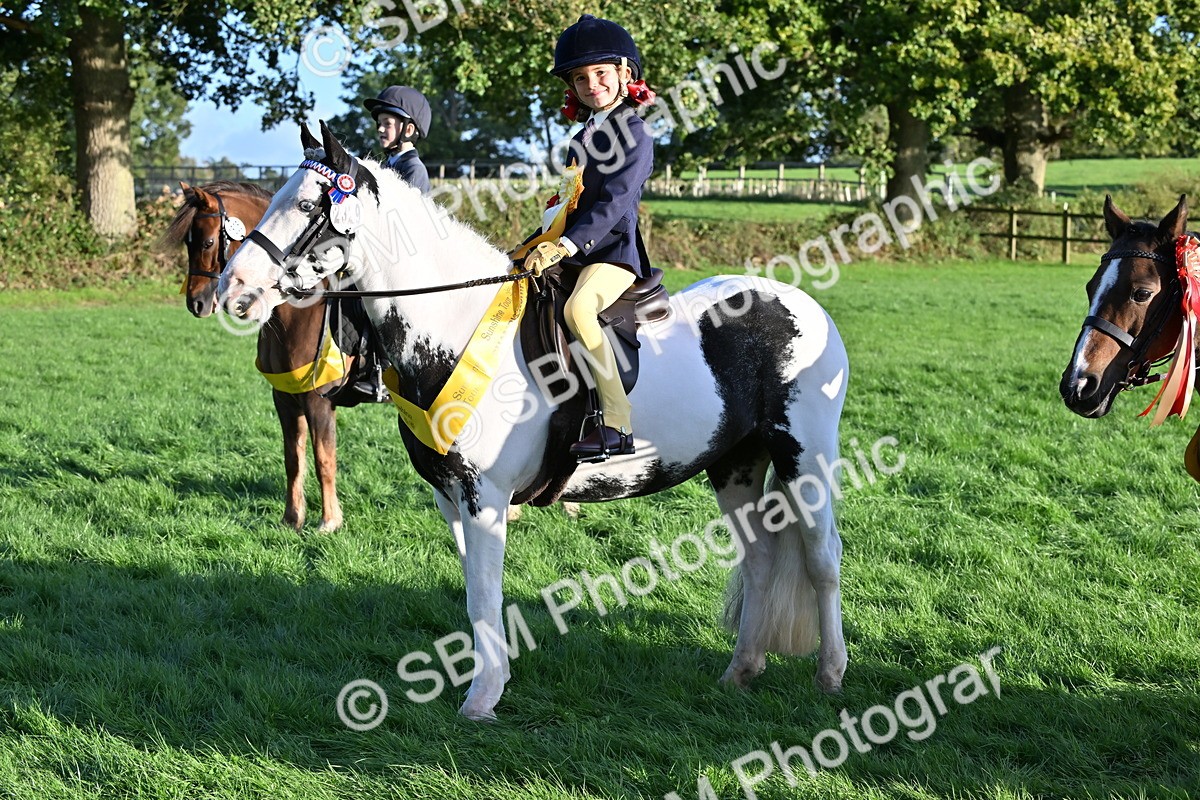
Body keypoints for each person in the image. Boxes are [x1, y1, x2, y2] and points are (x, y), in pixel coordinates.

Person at [517, 14, 656, 460]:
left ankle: (617, 425)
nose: (590, 83)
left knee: (579, 309)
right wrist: (536, 242)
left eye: (600, 73)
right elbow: (568, 204)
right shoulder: (580, 139)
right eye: (580, 77)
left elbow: (615, 202)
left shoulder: (636, 131)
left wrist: (568, 245)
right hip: (572, 249)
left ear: (624, 74)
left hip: (612, 253)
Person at [363, 85, 432, 195]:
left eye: (387, 123)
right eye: (379, 123)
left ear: (408, 130)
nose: (380, 129)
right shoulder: (386, 165)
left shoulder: (414, 169)